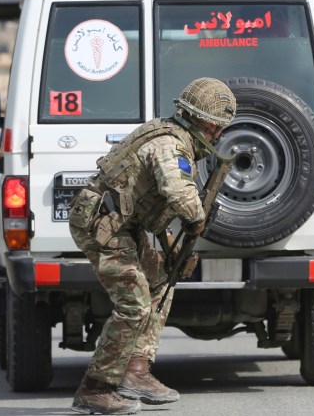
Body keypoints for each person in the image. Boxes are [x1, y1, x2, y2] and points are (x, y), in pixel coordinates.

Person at [67, 77, 236, 414]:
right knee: (134, 303)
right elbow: (178, 192)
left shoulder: (174, 136)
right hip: (103, 225)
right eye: (215, 127)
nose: (217, 136)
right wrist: (197, 218)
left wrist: (167, 240)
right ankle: (95, 387)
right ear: (200, 121)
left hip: (123, 224)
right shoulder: (170, 144)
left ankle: (135, 370)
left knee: (161, 278)